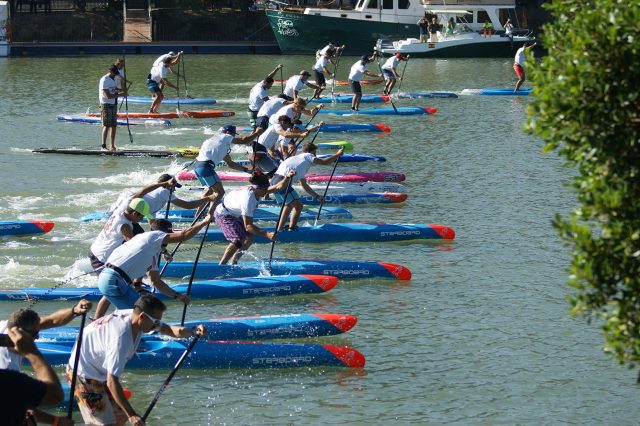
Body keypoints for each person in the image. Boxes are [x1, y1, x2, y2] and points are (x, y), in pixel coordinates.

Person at [66, 294, 207, 426]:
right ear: (142, 317)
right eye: (154, 322)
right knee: (107, 423)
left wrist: (193, 331)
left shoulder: (137, 318)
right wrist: (132, 414)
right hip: (82, 374)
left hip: (98, 370)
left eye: (157, 321)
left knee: (120, 417)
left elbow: (169, 330)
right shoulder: (120, 339)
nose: (156, 325)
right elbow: (111, 381)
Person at [0, 302, 92, 425]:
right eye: (35, 334)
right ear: (22, 333)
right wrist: (56, 421)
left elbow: (52, 320)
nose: (37, 337)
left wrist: (74, 310)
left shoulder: (8, 326)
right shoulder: (8, 365)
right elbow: (22, 402)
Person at [96, 214, 212, 310]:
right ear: (163, 233)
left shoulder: (145, 243)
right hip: (114, 279)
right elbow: (183, 235)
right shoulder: (155, 235)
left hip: (108, 278)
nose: (170, 235)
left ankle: (98, 324)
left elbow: (156, 282)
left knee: (130, 312)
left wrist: (178, 296)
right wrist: (204, 222)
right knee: (140, 313)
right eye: (169, 232)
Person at [215, 169, 296, 264]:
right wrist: (266, 234)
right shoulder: (248, 200)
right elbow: (248, 227)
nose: (266, 192)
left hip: (235, 212)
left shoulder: (259, 189)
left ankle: (234, 261)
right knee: (238, 239)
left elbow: (278, 187)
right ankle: (222, 264)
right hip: (223, 214)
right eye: (263, 190)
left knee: (249, 237)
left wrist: (287, 177)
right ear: (254, 189)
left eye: (266, 189)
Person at [269, 143, 344, 231]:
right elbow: (325, 162)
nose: (315, 155)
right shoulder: (308, 156)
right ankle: (292, 229)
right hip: (283, 181)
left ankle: (279, 228)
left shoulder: (297, 160)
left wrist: (316, 196)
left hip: (274, 181)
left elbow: (304, 185)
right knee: (298, 206)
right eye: (315, 152)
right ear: (312, 151)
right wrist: (338, 154)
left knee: (288, 205)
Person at [0, 325, 65, 425]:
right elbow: (54, 394)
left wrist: (56, 421)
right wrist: (32, 352)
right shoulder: (9, 381)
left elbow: (19, 402)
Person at [194, 125, 260, 207]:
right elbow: (244, 140)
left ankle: (198, 213)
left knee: (210, 190)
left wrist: (246, 170)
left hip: (197, 166)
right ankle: (210, 215)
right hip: (206, 167)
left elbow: (230, 163)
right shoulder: (225, 136)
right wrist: (257, 133)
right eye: (233, 134)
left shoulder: (217, 142)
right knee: (220, 192)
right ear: (228, 132)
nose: (233, 137)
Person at [250, 115, 322, 175]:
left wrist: (317, 126)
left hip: (260, 151)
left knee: (278, 168)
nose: (301, 131)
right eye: (299, 130)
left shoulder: (282, 132)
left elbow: (306, 130)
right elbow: (284, 147)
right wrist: (290, 161)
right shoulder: (278, 127)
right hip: (258, 151)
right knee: (278, 171)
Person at [99, 64, 127, 151]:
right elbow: (107, 96)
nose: (115, 75)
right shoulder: (104, 80)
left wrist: (122, 90)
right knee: (106, 125)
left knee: (114, 125)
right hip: (105, 103)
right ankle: (103, 146)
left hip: (114, 103)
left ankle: (112, 146)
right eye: (114, 73)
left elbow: (114, 89)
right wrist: (122, 95)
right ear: (110, 71)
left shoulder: (114, 78)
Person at [247, 64, 284, 129]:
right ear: (266, 83)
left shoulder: (261, 83)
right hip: (255, 112)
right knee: (259, 129)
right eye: (270, 85)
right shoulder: (261, 91)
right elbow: (268, 102)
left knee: (257, 128)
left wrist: (277, 68)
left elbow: (269, 76)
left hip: (251, 109)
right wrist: (279, 100)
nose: (271, 86)